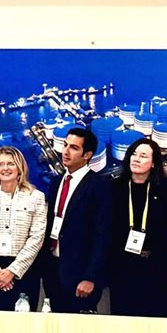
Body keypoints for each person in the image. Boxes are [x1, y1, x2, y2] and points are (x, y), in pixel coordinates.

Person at [107, 138, 167, 318]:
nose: (136, 159)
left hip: (156, 266)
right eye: (133, 154)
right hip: (122, 267)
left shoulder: (166, 187)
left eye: (143, 156)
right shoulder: (114, 187)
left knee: (156, 321)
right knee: (123, 321)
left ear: (153, 163)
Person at [40, 127, 111, 313]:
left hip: (80, 276)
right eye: (65, 145)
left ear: (87, 155)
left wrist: (91, 277)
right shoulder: (57, 182)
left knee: (79, 328)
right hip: (54, 269)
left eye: (74, 148)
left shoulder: (99, 186)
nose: (66, 151)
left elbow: (102, 236)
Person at [0, 146, 47, 311]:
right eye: (0, 164)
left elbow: (36, 238)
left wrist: (12, 271)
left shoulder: (36, 197)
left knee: (22, 325)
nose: (5, 168)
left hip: (23, 272)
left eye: (10, 164)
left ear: (20, 167)